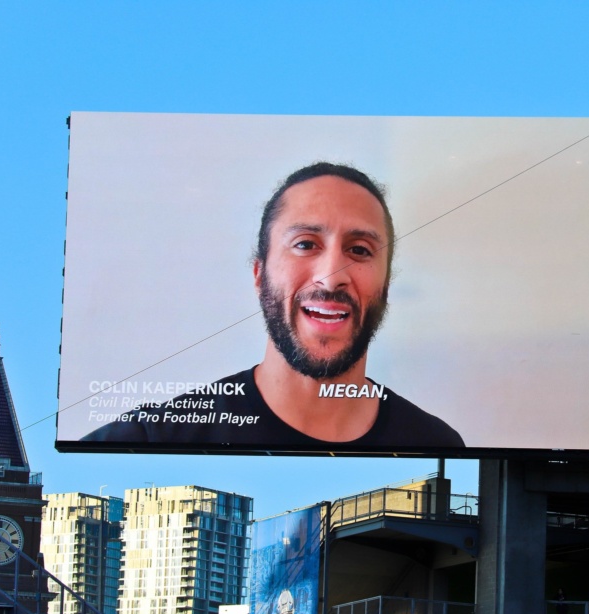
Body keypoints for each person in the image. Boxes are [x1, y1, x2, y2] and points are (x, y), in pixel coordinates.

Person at [83, 162, 464, 449]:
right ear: (259, 274)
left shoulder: (438, 443)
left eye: (360, 250)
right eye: (305, 244)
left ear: (385, 286)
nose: (332, 278)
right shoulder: (149, 438)